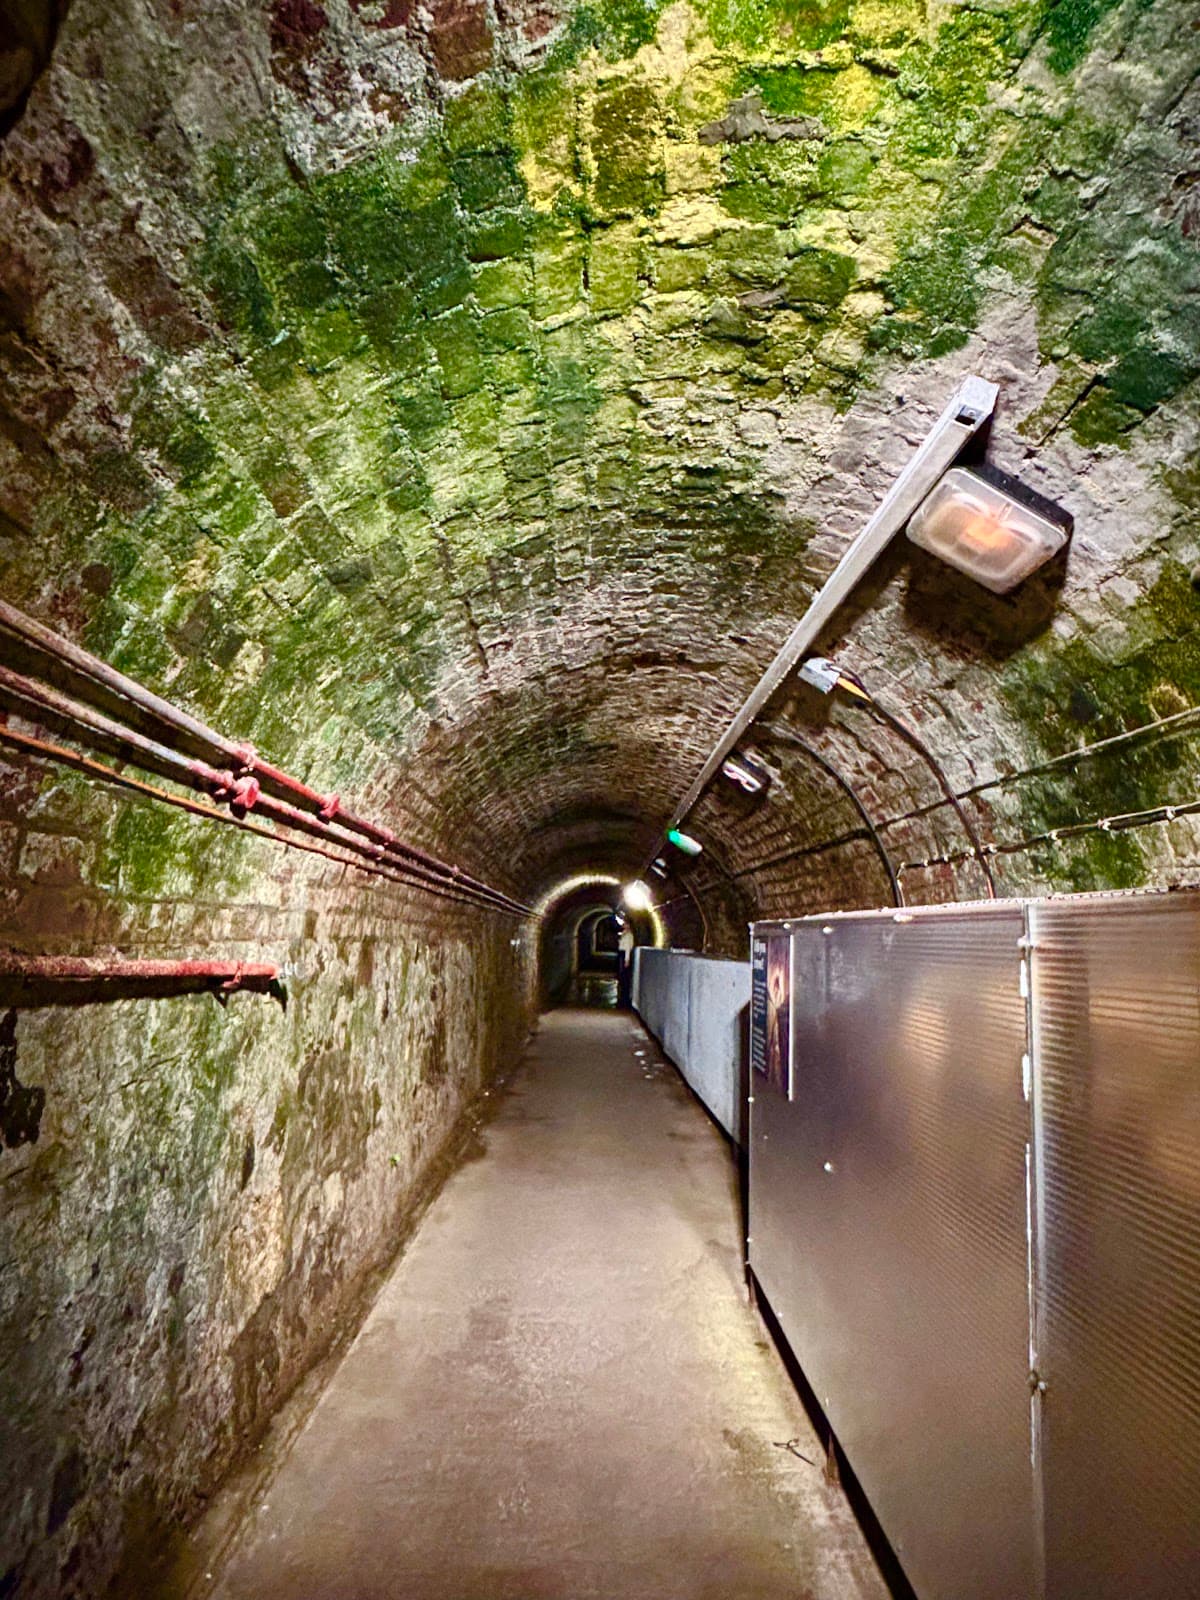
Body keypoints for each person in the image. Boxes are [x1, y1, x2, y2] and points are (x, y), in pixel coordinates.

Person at [617, 917, 636, 1008]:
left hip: (624, 954)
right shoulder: (625, 933)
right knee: (622, 974)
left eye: (624, 923)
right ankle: (623, 992)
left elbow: (628, 948)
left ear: (628, 925)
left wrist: (627, 959)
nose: (623, 925)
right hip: (622, 954)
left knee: (624, 974)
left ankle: (625, 995)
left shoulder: (629, 935)